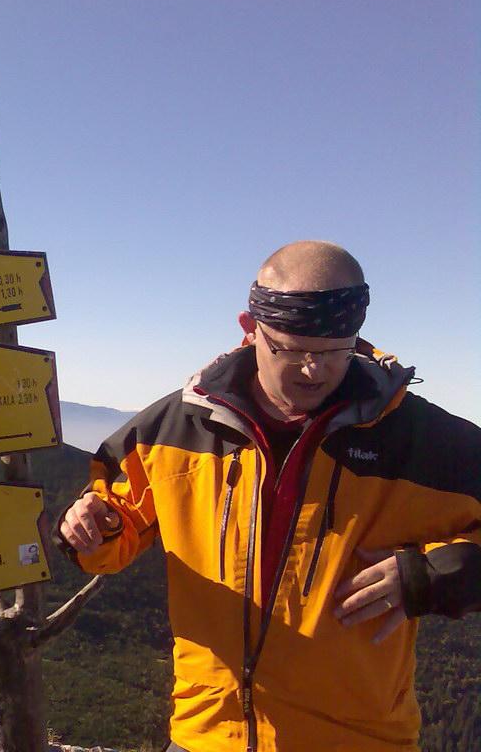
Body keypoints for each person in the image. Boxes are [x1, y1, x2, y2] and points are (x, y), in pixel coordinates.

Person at [56, 241, 481, 752]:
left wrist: (432, 575)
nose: (313, 370)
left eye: (335, 352)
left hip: (358, 740)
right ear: (248, 328)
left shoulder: (424, 439)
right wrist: (91, 526)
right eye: (291, 349)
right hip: (205, 735)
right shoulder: (176, 426)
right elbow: (113, 527)